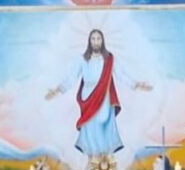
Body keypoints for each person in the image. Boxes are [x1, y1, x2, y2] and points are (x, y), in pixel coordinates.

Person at [45, 29, 152, 157]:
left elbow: (121, 75)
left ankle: (105, 159)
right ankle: (93, 159)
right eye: (93, 39)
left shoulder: (109, 59)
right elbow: (71, 78)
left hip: (104, 98)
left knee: (103, 125)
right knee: (90, 128)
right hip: (88, 97)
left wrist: (137, 84)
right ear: (89, 41)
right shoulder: (82, 59)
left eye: (98, 39)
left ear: (102, 41)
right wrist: (57, 90)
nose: (96, 42)